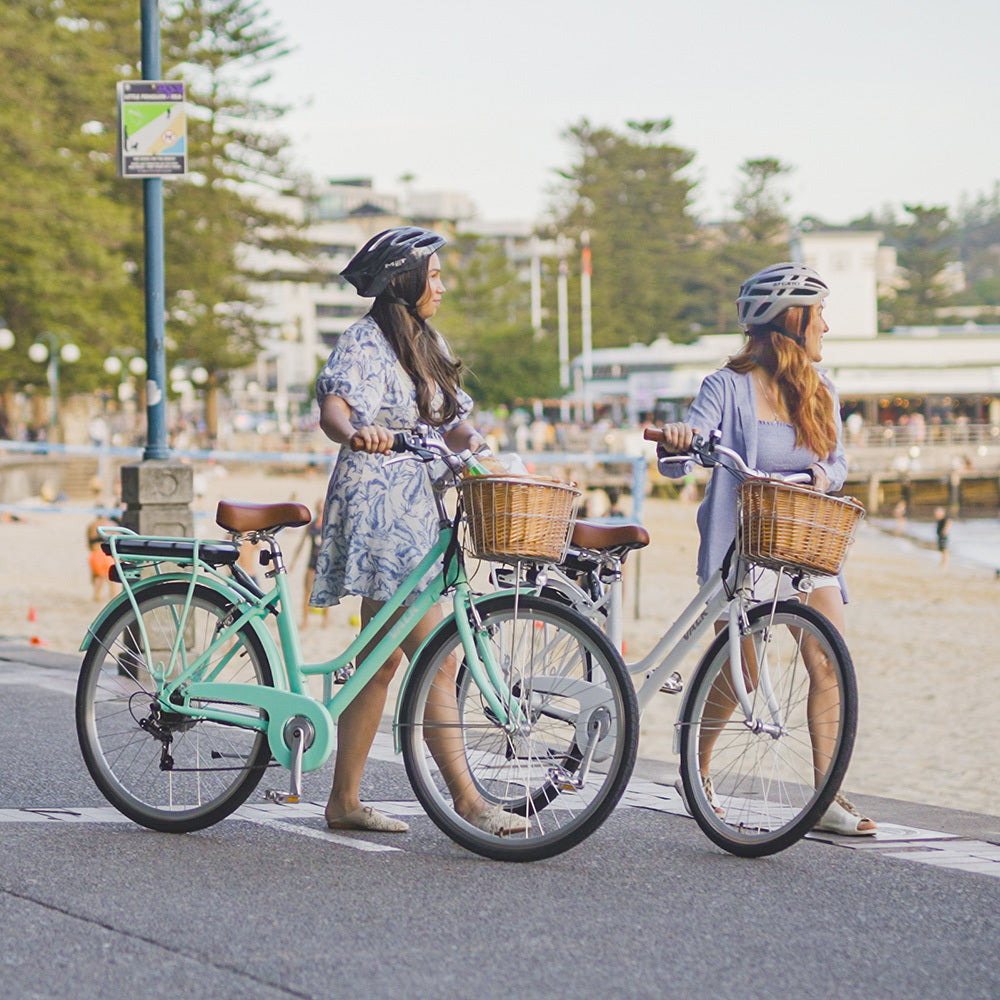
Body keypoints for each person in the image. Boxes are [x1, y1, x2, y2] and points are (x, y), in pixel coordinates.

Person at [309, 226, 525, 836]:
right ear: (403, 280)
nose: (442, 286)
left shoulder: (426, 342)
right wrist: (355, 431)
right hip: (378, 504)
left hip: (418, 508)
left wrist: (478, 448)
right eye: (433, 276)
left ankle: (344, 802)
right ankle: (468, 800)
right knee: (437, 652)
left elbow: (452, 423)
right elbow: (335, 407)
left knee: (380, 661)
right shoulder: (363, 342)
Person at [655, 261, 876, 837]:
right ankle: (694, 771)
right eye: (819, 314)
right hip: (744, 547)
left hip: (806, 539)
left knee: (828, 659)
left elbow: (837, 462)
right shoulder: (724, 387)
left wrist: (819, 480)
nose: (826, 326)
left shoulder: (822, 389)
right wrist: (681, 442)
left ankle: (827, 793)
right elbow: (683, 457)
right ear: (792, 321)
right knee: (742, 673)